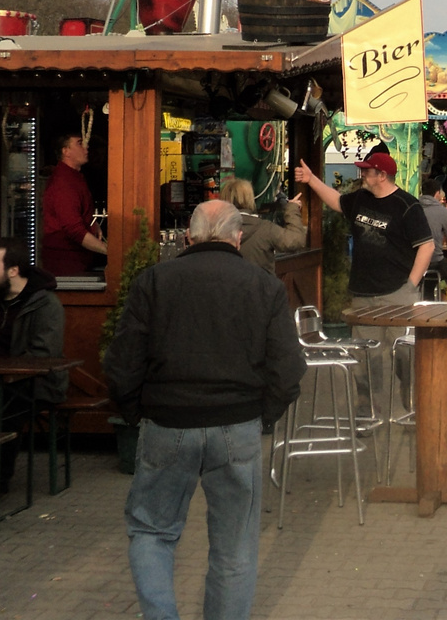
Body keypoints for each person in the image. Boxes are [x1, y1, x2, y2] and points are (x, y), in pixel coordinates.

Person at [104, 200, 306, 620]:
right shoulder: (264, 285)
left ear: (188, 237)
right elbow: (288, 368)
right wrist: (262, 415)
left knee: (152, 532)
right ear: (238, 237)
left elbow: (122, 362)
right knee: (234, 548)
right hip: (237, 424)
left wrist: (135, 412)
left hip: (167, 421)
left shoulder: (154, 281)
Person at [294, 151, 433, 421]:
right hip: (363, 294)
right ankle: (367, 410)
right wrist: (311, 180)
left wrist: (410, 285)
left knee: (405, 355)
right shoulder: (360, 199)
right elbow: (337, 202)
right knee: (366, 358)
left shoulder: (407, 205)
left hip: (397, 295)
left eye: (367, 171)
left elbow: (426, 246)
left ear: (382, 175)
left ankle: (414, 406)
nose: (362, 175)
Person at [0, 239, 67, 496]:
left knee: (8, 407)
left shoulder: (45, 304)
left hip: (34, 382)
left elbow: (43, 354)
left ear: (13, 270)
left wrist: (0, 370)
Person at [41, 133, 107, 275]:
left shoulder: (73, 178)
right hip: (65, 262)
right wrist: (108, 250)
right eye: (79, 143)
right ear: (66, 151)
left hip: (76, 258)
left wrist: (92, 224)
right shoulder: (63, 183)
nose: (86, 146)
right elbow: (73, 229)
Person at [220, 177, 307, 274]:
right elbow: (296, 240)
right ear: (250, 198)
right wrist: (292, 209)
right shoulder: (265, 228)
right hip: (260, 287)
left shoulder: (214, 230)